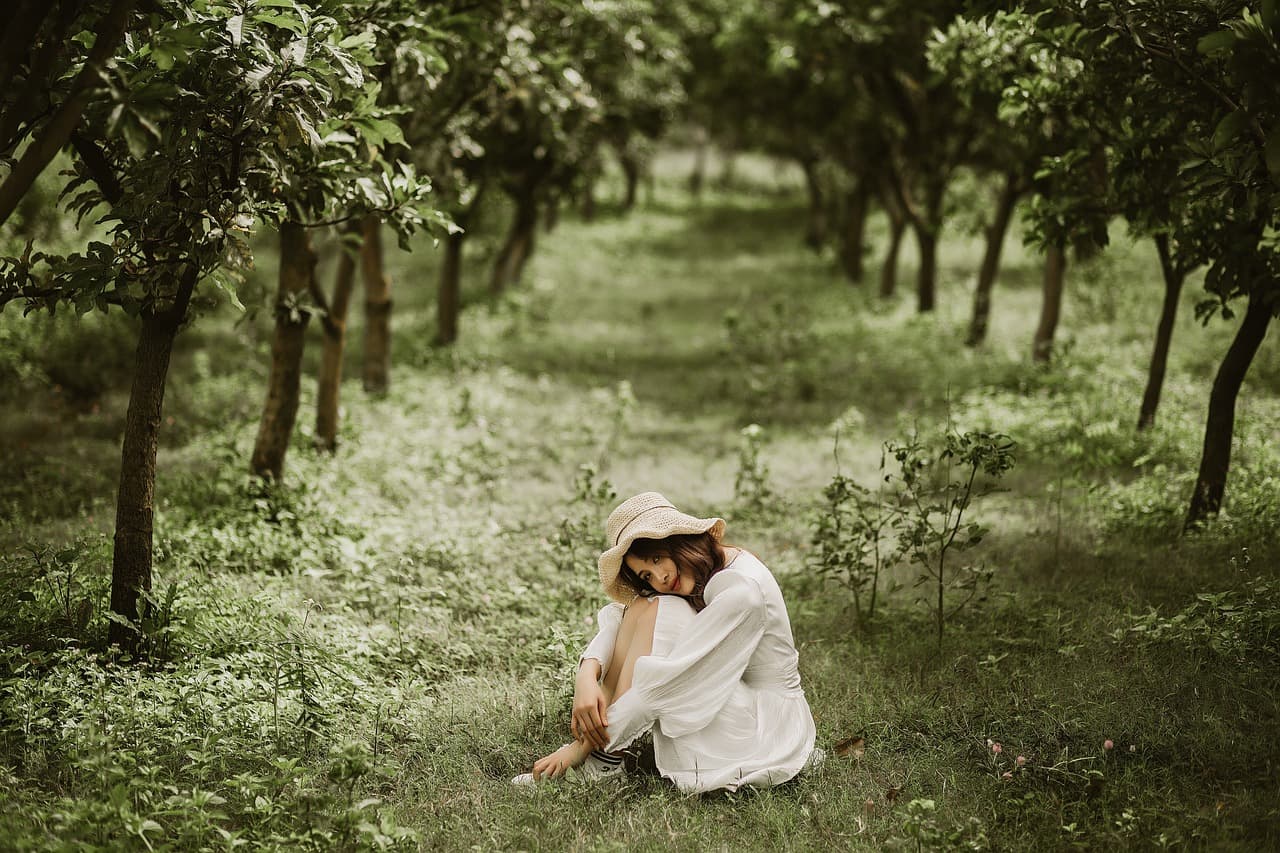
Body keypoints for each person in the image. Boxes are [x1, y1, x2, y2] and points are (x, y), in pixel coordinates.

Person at [513, 491, 822, 793]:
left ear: (680, 539)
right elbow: (624, 618)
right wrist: (587, 673)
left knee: (659, 609)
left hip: (767, 730)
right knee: (644, 606)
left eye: (658, 558)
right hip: (744, 701)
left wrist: (579, 748)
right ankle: (603, 755)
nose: (659, 577)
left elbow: (668, 683)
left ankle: (603, 757)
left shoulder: (741, 591)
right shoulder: (715, 566)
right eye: (646, 574)